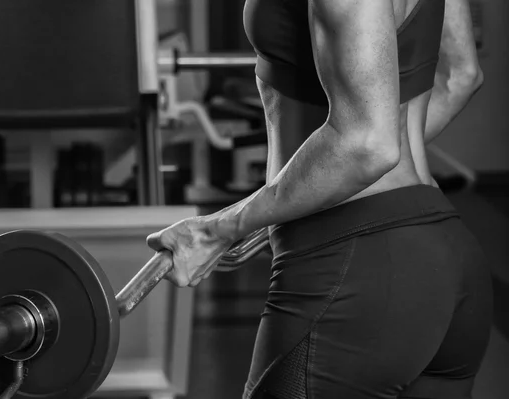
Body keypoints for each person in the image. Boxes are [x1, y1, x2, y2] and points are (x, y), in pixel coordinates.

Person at [147, 0, 493, 398]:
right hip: (446, 254)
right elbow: (460, 75)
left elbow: (367, 144)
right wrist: (300, 193)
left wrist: (219, 229)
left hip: (357, 263)